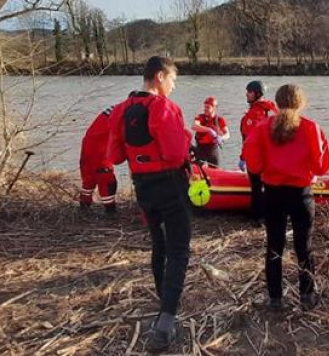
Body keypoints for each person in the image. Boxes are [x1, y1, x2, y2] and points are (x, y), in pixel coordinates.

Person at [108, 56, 192, 352]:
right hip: (170, 184)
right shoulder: (164, 107)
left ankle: (163, 304)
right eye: (172, 81)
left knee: (159, 243)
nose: (172, 87)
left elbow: (115, 156)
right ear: (159, 76)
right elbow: (173, 153)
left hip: (143, 187)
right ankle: (166, 322)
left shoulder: (121, 109)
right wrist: (185, 137)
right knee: (179, 249)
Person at [243, 84, 329, 310]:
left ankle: (274, 299)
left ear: (277, 102)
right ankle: (307, 296)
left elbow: (253, 164)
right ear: (301, 103)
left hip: (273, 194)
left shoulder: (262, 127)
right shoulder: (311, 127)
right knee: (304, 247)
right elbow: (321, 167)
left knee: (274, 247)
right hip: (301, 195)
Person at [239, 80, 278, 221]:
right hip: (271, 155)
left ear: (256, 93)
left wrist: (243, 157)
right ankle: (269, 214)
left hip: (257, 157)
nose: (247, 94)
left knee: (257, 187)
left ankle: (257, 216)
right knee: (268, 186)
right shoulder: (271, 109)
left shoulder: (255, 113)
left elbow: (249, 139)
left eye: (249, 92)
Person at [79, 106, 118, 214]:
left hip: (88, 149)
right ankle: (110, 211)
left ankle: (84, 207)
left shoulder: (113, 111)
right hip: (100, 152)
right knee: (107, 182)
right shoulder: (121, 115)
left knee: (89, 180)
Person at [192, 96, 230, 167]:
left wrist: (221, 138)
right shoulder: (200, 117)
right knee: (199, 168)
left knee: (215, 167)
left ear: (214, 108)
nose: (205, 109)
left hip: (212, 149)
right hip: (201, 149)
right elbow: (194, 126)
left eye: (208, 107)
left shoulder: (219, 120)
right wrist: (209, 130)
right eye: (205, 107)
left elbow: (227, 134)